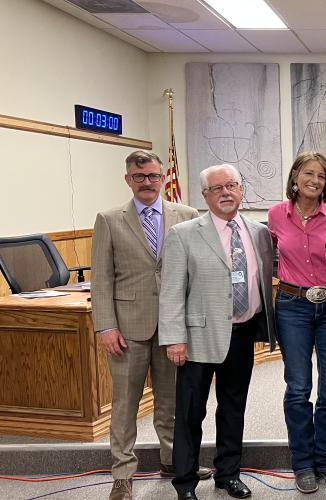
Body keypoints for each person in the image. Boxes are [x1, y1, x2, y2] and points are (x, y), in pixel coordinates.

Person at [91, 150, 205, 500]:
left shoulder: (186, 216)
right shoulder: (109, 220)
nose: (146, 183)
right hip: (127, 330)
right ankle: (122, 474)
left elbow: (195, 275)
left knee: (171, 403)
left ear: (162, 177)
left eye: (153, 176)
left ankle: (172, 461)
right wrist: (106, 326)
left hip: (173, 330)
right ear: (128, 179)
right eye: (138, 177)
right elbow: (101, 279)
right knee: (125, 406)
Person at [158, 164, 277, 500]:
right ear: (205, 196)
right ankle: (184, 483)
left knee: (233, 408)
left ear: (242, 189)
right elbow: (171, 291)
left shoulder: (259, 233)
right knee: (190, 412)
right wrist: (174, 338)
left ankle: (228, 474)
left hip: (242, 335)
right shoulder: (184, 234)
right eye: (217, 188)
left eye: (232, 185)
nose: (226, 192)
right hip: (197, 338)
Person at [267, 152, 326, 494]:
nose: (315, 180)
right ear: (295, 176)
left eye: (321, 176)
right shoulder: (275, 214)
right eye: (308, 173)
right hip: (292, 305)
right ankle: (302, 463)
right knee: (298, 387)